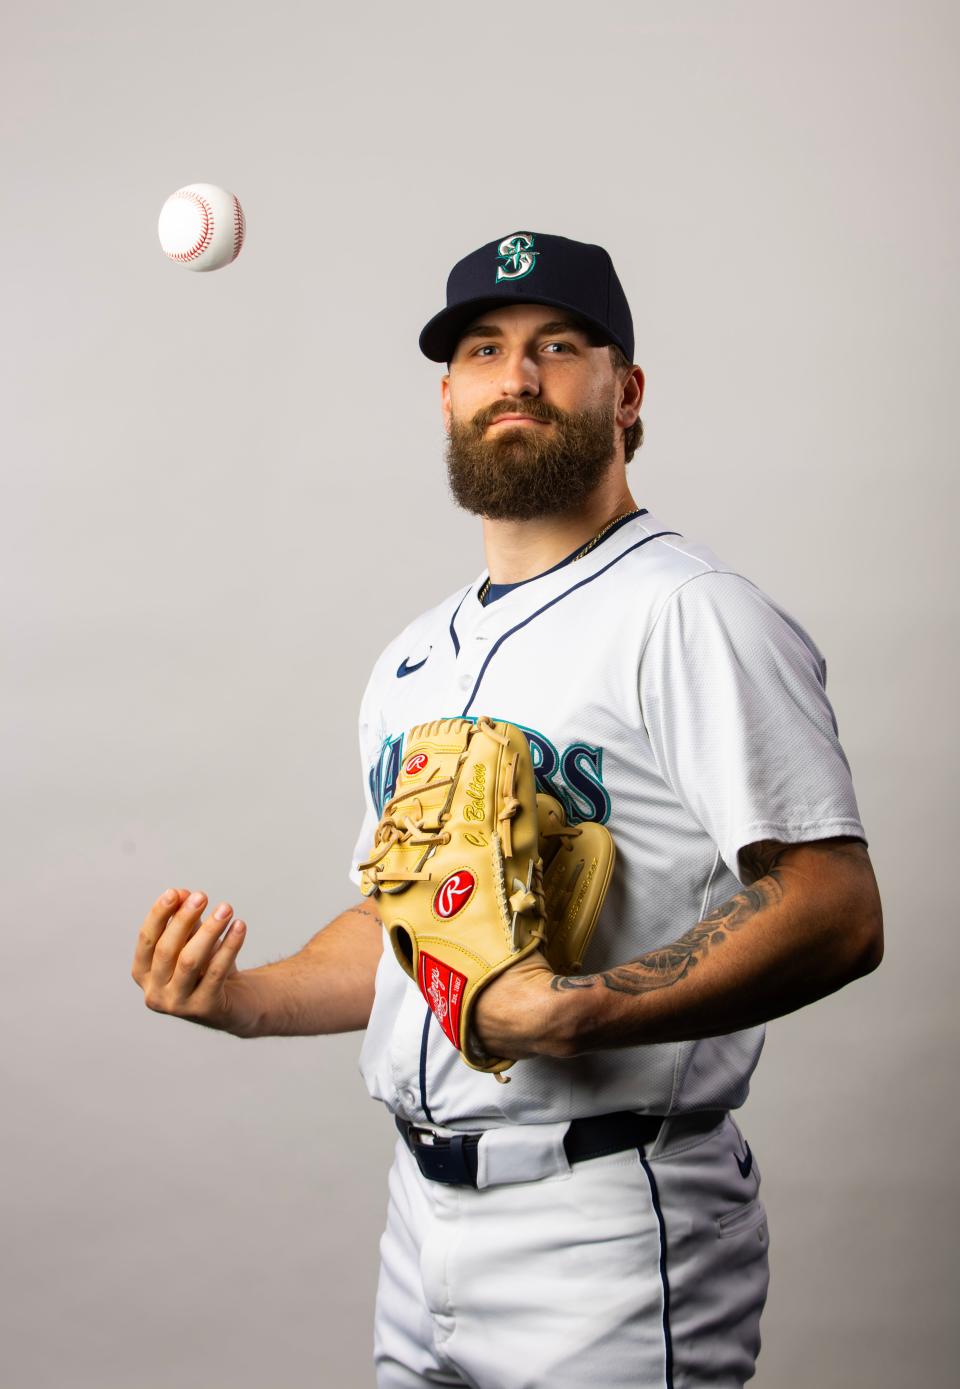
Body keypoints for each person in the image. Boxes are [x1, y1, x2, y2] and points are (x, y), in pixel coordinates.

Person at [131, 230, 884, 1388]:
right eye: (484, 350)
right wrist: (241, 999)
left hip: (614, 1223)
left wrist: (580, 1011)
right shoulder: (412, 660)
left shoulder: (692, 615)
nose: (516, 377)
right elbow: (410, 930)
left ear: (625, 394)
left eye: (557, 346)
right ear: (448, 398)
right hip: (421, 1222)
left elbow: (835, 907)